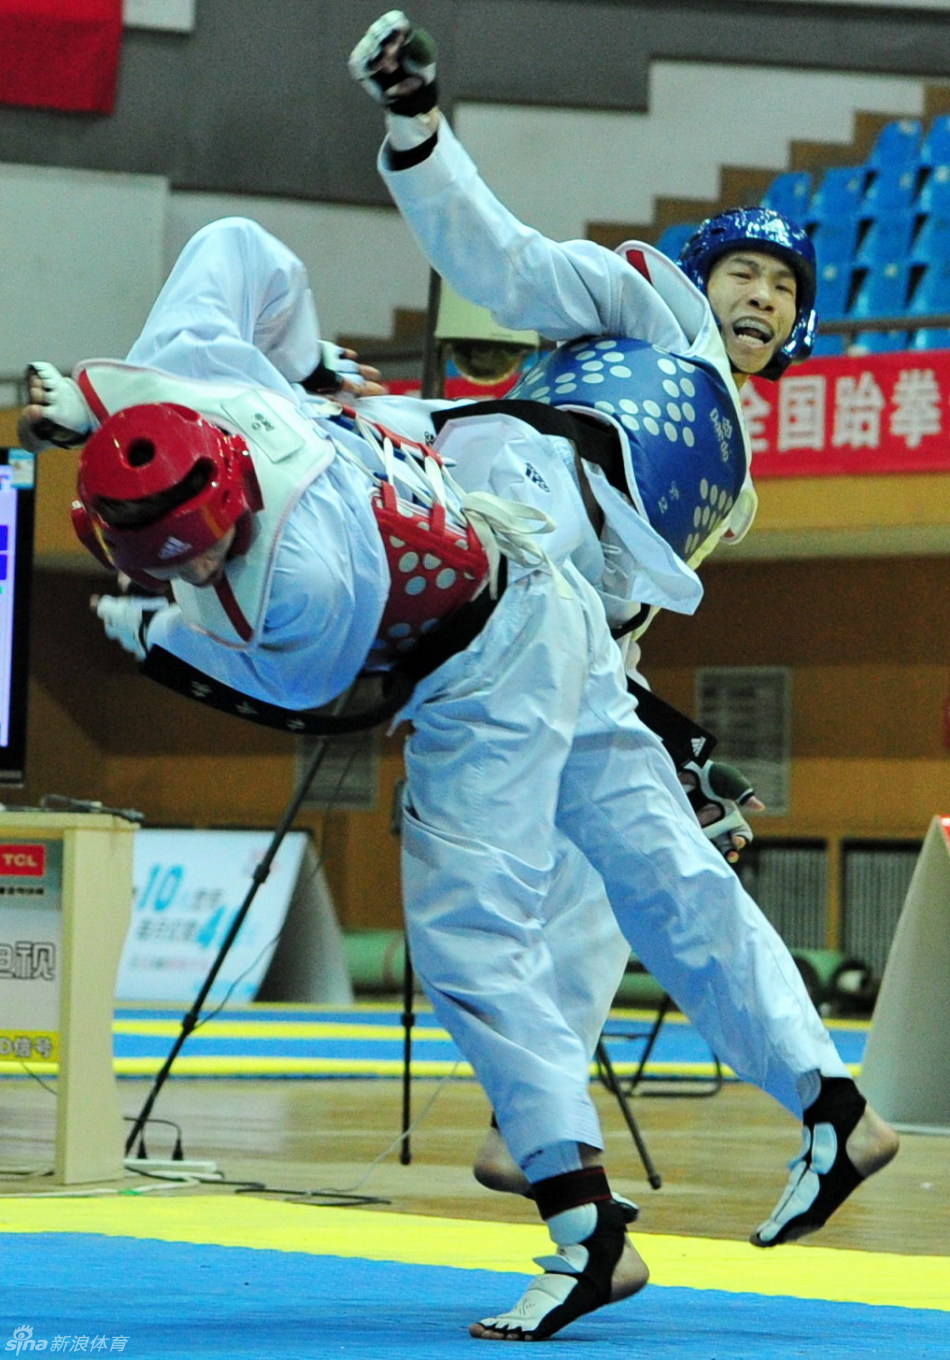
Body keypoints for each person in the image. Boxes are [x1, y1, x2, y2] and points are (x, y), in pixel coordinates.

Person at [22, 212, 897, 1344]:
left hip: (484, 664)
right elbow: (241, 247)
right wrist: (250, 375)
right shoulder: (213, 380)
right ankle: (834, 1106)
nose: (195, 569)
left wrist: (154, 632)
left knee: (466, 942)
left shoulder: (293, 598)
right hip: (557, 598)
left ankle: (589, 1235)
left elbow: (311, 699)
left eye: (192, 559)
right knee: (667, 873)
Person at [347, 8, 900, 1261]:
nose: (760, 299)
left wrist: (653, 716)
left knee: (632, 872)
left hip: (562, 638)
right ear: (698, 276)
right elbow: (496, 259)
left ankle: (575, 1127)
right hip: (500, 565)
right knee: (557, 882)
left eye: (782, 291)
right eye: (744, 276)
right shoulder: (640, 302)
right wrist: (420, 130)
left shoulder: (736, 472)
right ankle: (604, 1123)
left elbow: (621, 593)